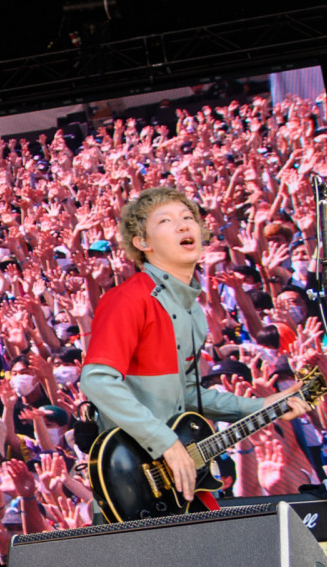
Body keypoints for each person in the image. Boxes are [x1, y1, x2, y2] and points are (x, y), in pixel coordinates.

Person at [78, 186, 311, 514]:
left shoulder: (193, 314)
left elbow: (189, 396)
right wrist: (165, 443)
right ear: (143, 244)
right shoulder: (127, 299)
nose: (185, 226)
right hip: (133, 482)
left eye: (189, 219)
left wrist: (260, 406)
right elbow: (97, 381)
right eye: (167, 221)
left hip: (182, 486)